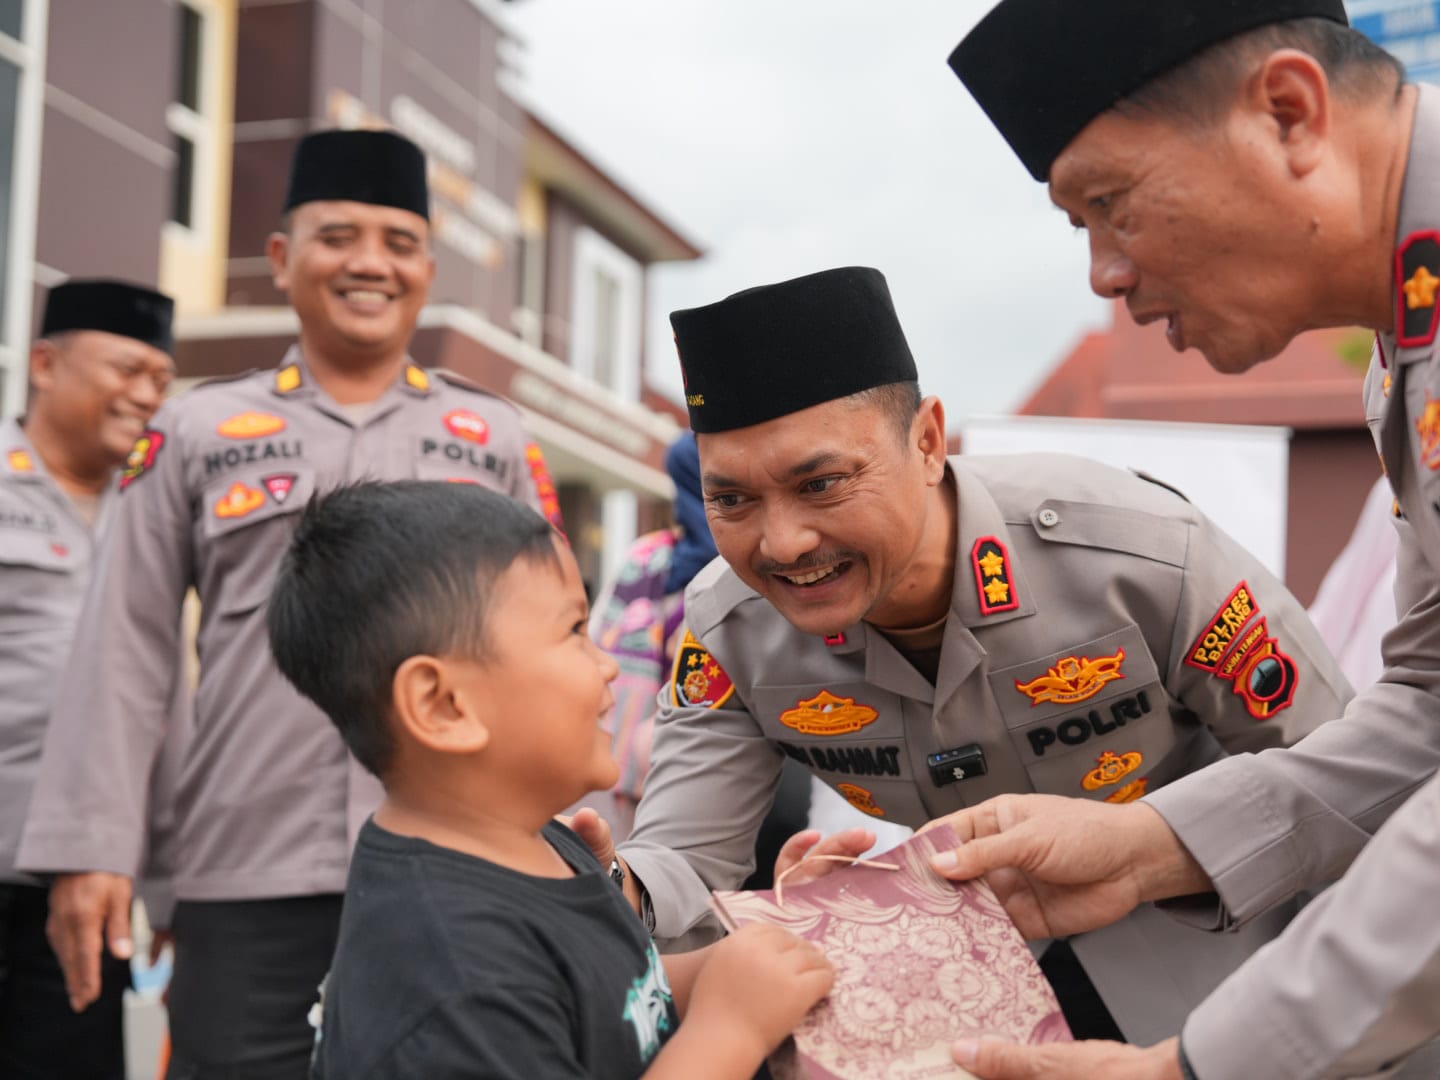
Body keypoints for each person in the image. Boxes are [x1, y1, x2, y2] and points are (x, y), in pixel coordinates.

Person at [607, 265, 1353, 1047]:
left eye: (823, 483)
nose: (782, 543)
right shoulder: (729, 629)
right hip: (959, 1015)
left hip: (1227, 985)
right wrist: (603, 891)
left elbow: (1344, 779)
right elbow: (686, 863)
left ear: (927, 441)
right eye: (731, 500)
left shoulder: (1134, 555)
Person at [928, 2, 1440, 1077]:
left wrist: (1198, 1067)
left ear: (1290, 113)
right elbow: (1432, 704)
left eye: (1110, 204)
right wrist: (1146, 846)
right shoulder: (1405, 347)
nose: (1105, 276)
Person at [16, 129, 559, 1079]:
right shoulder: (195, 427)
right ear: (281, 258)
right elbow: (125, 649)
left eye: (398, 241)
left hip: (459, 866)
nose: (369, 263)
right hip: (245, 868)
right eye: (337, 235)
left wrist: (563, 840)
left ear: (428, 266)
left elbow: (551, 646)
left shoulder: (493, 436)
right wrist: (90, 850)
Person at [266, 480, 834, 1079]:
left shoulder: (545, 844)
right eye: (573, 631)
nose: (609, 665)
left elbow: (615, 991)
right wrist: (731, 1030)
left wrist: (754, 955)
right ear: (443, 704)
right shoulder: (452, 976)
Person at [0, 279, 174, 1079]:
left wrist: (170, 888)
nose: (145, 395)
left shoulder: (154, 520)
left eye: (161, 382)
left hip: (82, 889)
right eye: (126, 370)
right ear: (44, 363)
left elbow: (164, 711)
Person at [588, 431, 811, 885]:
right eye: (723, 493)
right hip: (659, 768)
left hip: (752, 757)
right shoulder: (651, 558)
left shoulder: (760, 562)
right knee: (666, 876)